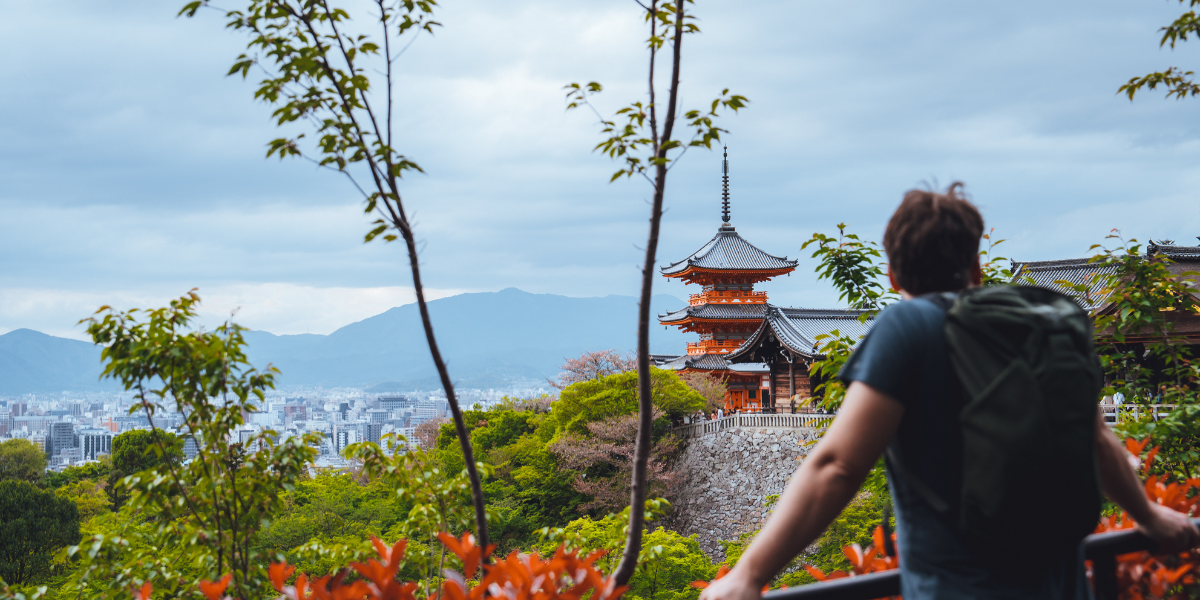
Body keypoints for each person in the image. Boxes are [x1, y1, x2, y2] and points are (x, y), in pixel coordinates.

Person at [698, 184, 1198, 600]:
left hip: (961, 584)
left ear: (893, 273)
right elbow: (1095, 441)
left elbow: (838, 465)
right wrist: (1148, 516)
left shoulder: (908, 326)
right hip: (1062, 580)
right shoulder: (1039, 324)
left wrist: (748, 574)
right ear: (975, 266)